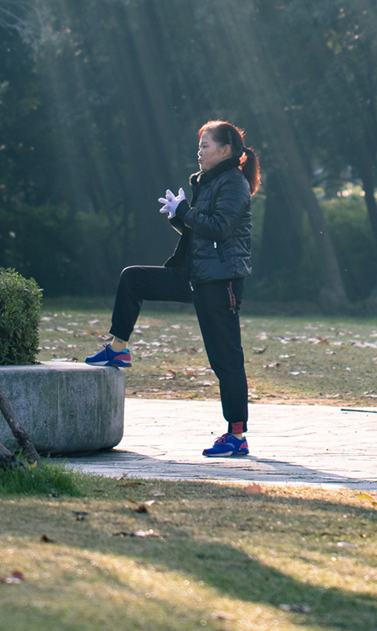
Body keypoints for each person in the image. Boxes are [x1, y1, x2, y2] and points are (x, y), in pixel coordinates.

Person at [86, 120, 259, 458]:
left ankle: (236, 435)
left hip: (219, 283)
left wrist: (186, 211)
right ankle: (118, 348)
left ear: (225, 150)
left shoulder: (234, 183)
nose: (199, 153)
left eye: (205, 146)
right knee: (132, 278)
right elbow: (200, 233)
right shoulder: (210, 181)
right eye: (199, 146)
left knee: (226, 360)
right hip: (193, 275)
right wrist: (178, 217)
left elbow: (220, 229)